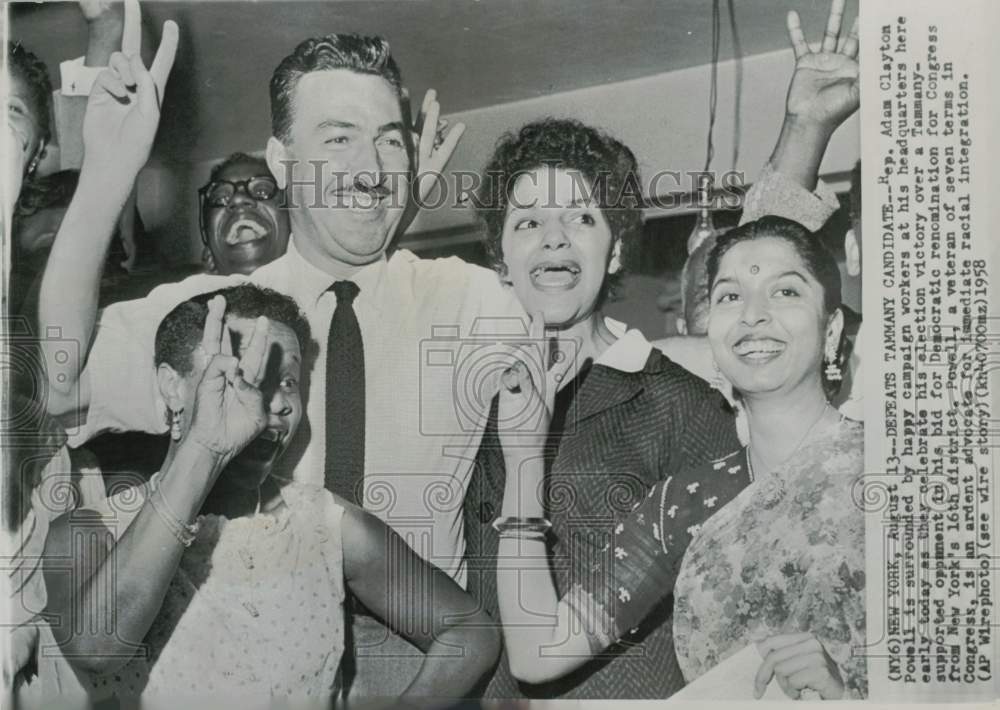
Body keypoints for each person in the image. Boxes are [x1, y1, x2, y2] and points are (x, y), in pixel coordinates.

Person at [35, 7, 510, 697]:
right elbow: (56, 381)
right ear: (283, 163)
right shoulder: (220, 315)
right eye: (338, 138)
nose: (370, 166)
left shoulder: (473, 298)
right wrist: (105, 176)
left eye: (388, 142)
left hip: (419, 665)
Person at [40, 285, 500, 702]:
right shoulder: (88, 532)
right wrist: (204, 448)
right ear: (172, 386)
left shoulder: (325, 526)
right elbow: (97, 647)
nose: (278, 402)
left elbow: (468, 630)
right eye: (248, 376)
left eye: (287, 381)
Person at [497, 215, 863, 700]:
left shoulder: (898, 471)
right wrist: (523, 455)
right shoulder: (683, 505)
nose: (753, 314)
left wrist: (850, 697)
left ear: (832, 328)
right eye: (730, 296)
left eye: (786, 292)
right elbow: (536, 651)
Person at [463, 118, 740, 699]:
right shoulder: (471, 403)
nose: (555, 238)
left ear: (614, 251)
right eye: (529, 221)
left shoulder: (681, 405)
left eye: (582, 217)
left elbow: (736, 610)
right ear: (500, 259)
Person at [198, 152, 291, 275]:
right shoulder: (173, 294)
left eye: (262, 191)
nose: (238, 199)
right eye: (220, 199)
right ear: (209, 257)